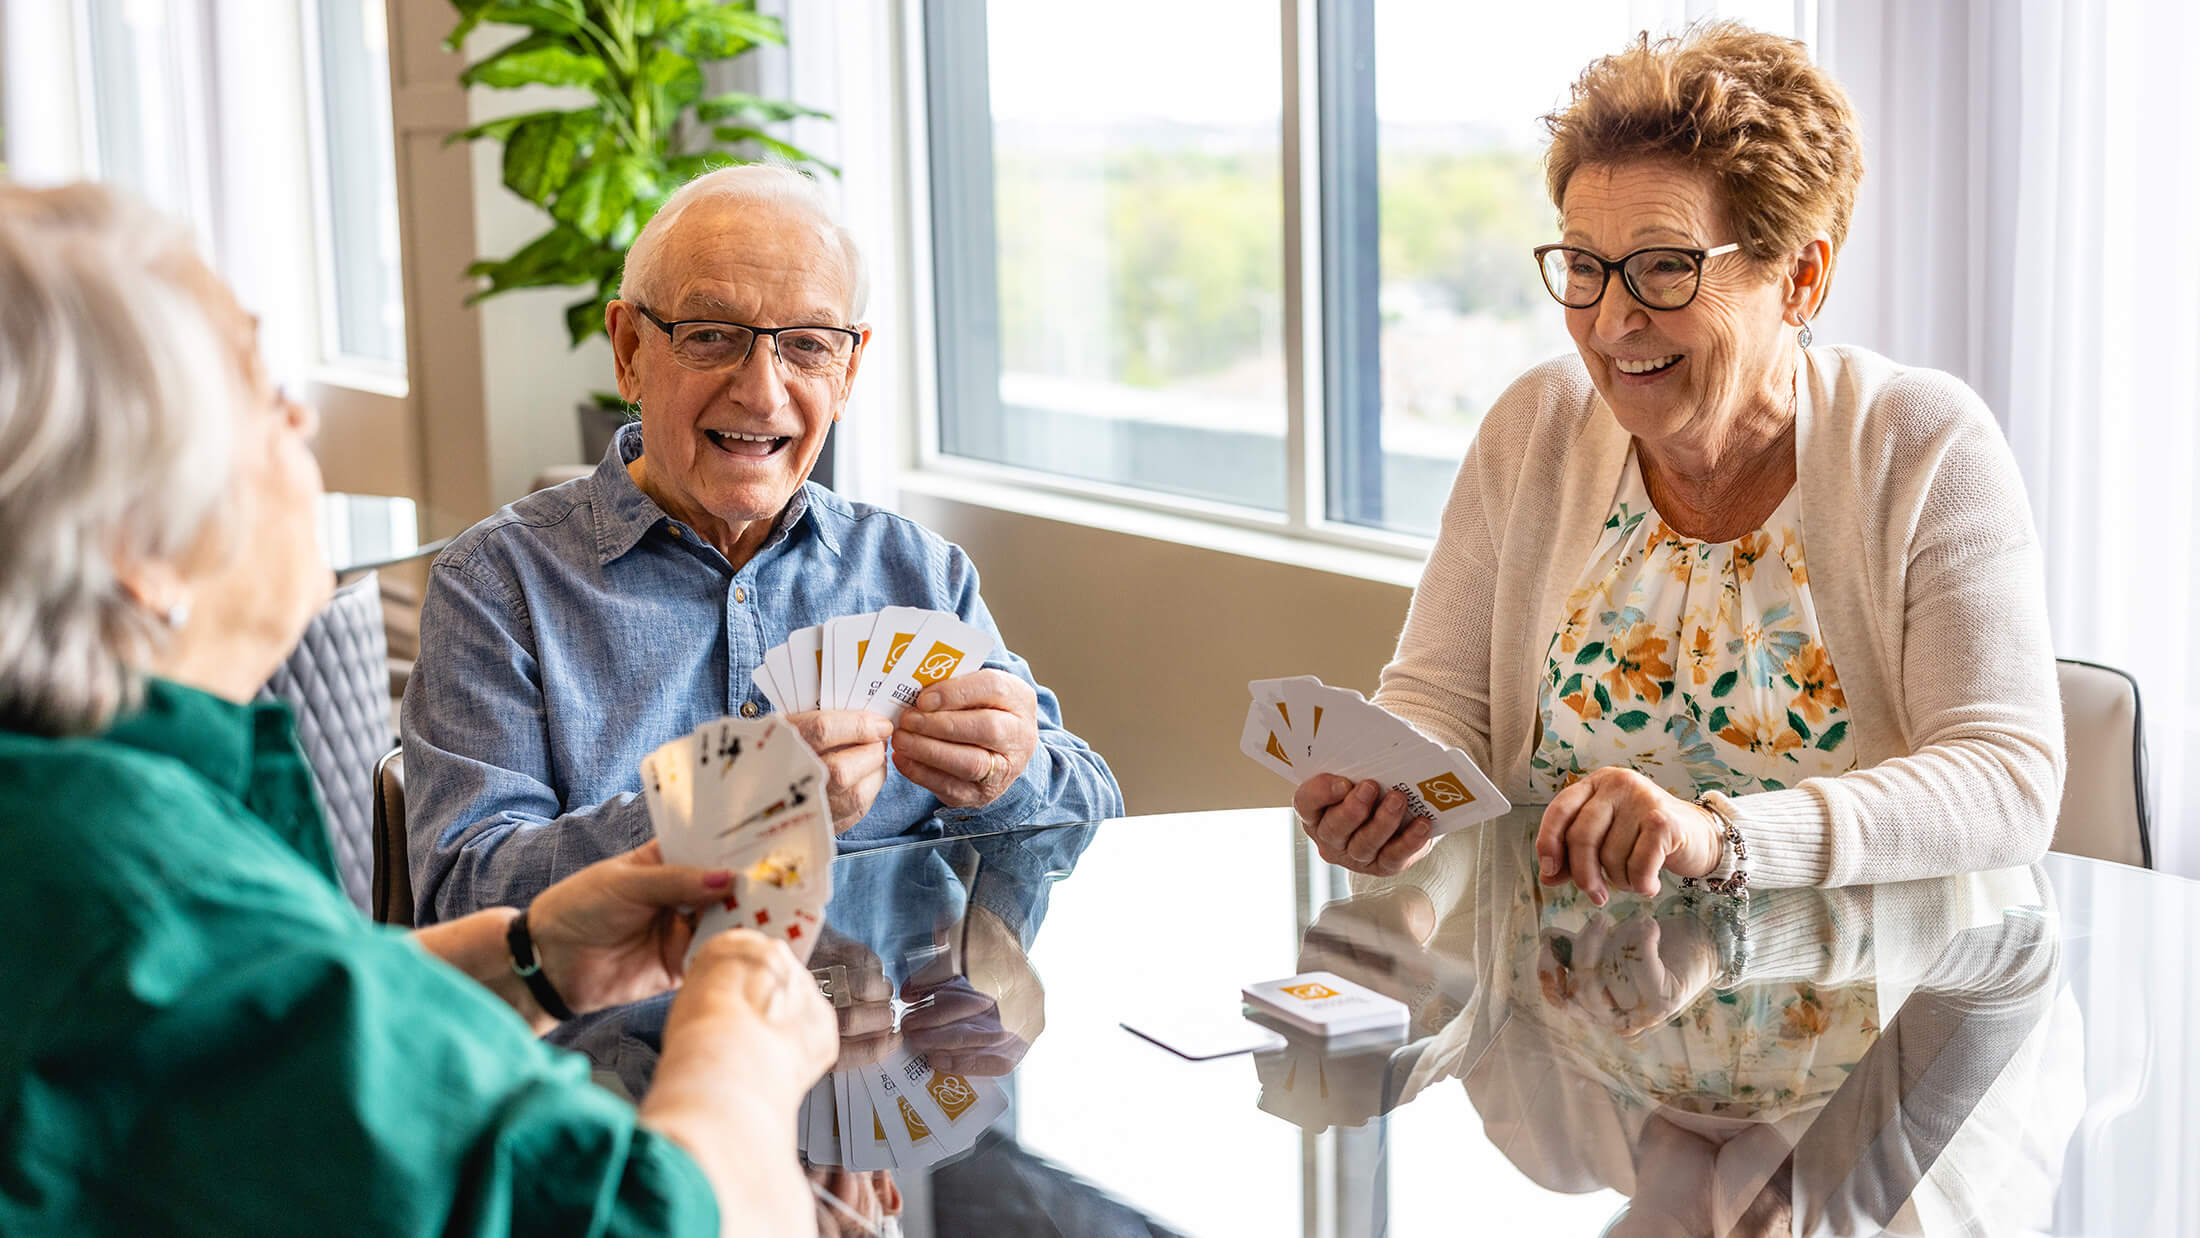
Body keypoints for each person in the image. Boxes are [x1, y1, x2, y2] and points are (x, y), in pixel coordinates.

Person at [0, 182, 836, 1235]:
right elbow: (647, 1218)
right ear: (138, 545)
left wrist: (532, 951)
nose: (300, 416)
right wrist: (740, 1044)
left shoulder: (73, 805)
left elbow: (270, 1021)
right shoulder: (143, 899)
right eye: (260, 389)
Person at [1295, 22, 2063, 893]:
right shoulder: (1536, 424)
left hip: (1864, 1004)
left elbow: (2005, 782)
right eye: (1584, 265)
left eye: (1665, 267)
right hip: (1565, 1007)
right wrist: (1395, 792)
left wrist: (1718, 837)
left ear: (1802, 277)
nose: (1613, 319)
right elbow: (1443, 706)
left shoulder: (1922, 443)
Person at [403, 164, 1123, 929]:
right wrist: (712, 814)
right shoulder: (498, 584)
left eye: (808, 345)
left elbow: (1093, 819)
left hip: (879, 1028)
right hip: (622, 1044)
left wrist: (1012, 773)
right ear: (629, 350)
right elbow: (462, 894)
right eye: (712, 336)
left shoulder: (922, 574)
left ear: (847, 371)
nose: (763, 392)